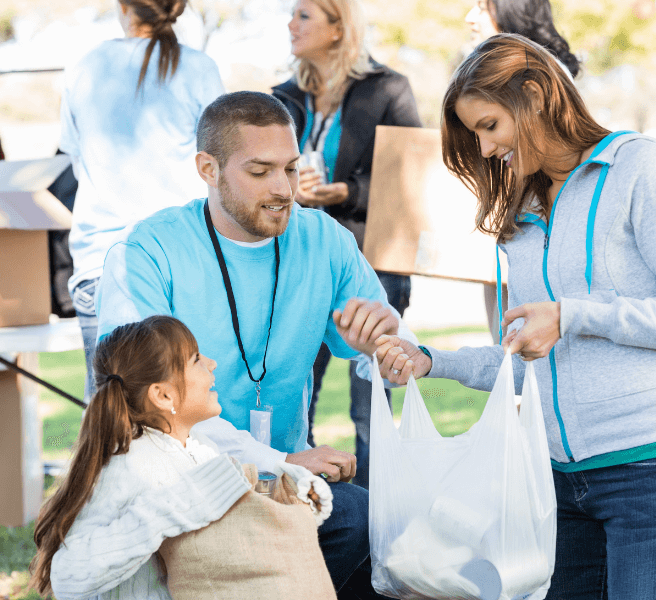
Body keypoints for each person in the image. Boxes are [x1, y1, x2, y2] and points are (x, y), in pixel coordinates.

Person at [376, 35, 656, 599]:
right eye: (475, 134)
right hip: (559, 482)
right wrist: (431, 362)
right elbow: (532, 363)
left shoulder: (641, 169)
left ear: (537, 95)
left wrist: (573, 315)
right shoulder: (523, 216)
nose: (487, 147)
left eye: (490, 125)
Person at [96, 90, 417, 597]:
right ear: (208, 168)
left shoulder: (325, 240)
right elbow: (148, 405)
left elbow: (392, 347)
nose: (283, 189)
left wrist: (389, 348)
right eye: (260, 171)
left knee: (374, 526)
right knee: (345, 523)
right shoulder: (148, 251)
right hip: (185, 481)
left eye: (290, 169)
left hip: (281, 482)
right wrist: (276, 464)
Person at [30, 315, 334, 600]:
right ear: (163, 396)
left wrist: (293, 489)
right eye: (196, 360)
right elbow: (68, 575)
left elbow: (222, 513)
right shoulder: (128, 465)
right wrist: (170, 509)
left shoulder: (197, 445)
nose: (212, 364)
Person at [272, 0, 421, 488]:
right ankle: (298, 504)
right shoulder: (281, 98)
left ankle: (376, 520)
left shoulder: (387, 89)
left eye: (304, 16)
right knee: (293, 395)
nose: (290, 24)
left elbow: (408, 172)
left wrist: (345, 192)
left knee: (371, 402)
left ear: (338, 28)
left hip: (370, 259)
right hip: (295, 262)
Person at [61, 0, 225, 400]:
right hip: (180, 261)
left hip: (99, 258)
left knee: (107, 413)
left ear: (123, 6)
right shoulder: (199, 69)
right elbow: (224, 165)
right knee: (188, 408)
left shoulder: (86, 66)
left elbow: (75, 156)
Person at [463, 0, 580, 345]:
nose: (470, 17)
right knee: (509, 347)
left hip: (537, 226)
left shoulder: (545, 74)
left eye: (481, 7)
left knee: (522, 345)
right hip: (510, 224)